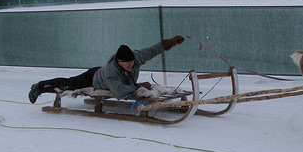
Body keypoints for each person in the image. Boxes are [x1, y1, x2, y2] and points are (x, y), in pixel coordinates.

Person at [28, 35, 185, 104]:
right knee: (66, 84)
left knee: (67, 83)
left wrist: (171, 42)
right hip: (93, 79)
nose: (131, 65)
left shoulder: (135, 57)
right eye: (127, 63)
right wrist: (139, 86)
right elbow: (120, 92)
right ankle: (40, 87)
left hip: (102, 72)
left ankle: (40, 86)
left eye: (132, 62)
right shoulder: (112, 73)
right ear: (119, 62)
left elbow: (152, 50)